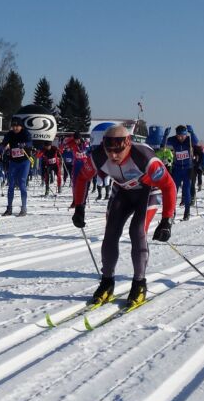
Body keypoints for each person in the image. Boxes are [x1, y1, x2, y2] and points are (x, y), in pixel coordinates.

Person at [72, 125, 177, 308]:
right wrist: (79, 207)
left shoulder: (145, 158)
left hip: (147, 192)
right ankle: (107, 282)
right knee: (111, 231)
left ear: (127, 144)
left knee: (137, 231)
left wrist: (167, 220)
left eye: (118, 150)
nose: (113, 156)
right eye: (109, 150)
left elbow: (169, 186)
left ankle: (139, 284)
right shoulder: (98, 156)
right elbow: (82, 178)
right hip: (122, 191)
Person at [0, 116, 33, 217]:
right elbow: (4, 143)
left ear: (21, 126)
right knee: (11, 184)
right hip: (13, 162)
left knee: (22, 183)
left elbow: (30, 143)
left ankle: (24, 208)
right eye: (13, 126)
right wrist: (1, 147)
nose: (15, 128)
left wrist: (25, 144)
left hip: (24, 162)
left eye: (17, 126)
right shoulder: (10, 134)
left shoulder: (25, 133)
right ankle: (9, 208)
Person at [162, 125, 199, 220]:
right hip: (177, 169)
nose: (180, 138)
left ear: (186, 134)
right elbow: (163, 145)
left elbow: (196, 142)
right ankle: (172, 212)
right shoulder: (174, 140)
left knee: (186, 191)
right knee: (174, 191)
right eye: (178, 136)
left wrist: (192, 133)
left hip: (187, 169)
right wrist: (165, 136)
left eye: (183, 136)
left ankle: (187, 212)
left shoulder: (189, 140)